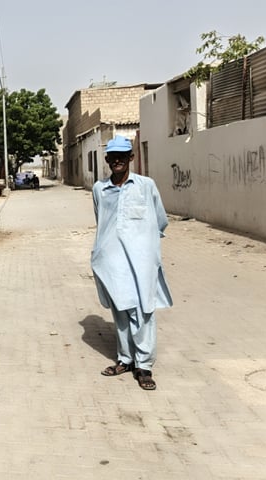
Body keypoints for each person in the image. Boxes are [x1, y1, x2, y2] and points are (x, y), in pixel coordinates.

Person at [91, 135, 173, 390]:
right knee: (121, 309)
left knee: (143, 310)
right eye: (112, 156)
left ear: (131, 158)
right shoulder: (99, 189)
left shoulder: (146, 186)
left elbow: (160, 220)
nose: (117, 160)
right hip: (113, 261)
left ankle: (144, 366)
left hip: (141, 260)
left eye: (122, 156)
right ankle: (125, 359)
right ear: (107, 160)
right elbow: (101, 221)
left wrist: (143, 244)